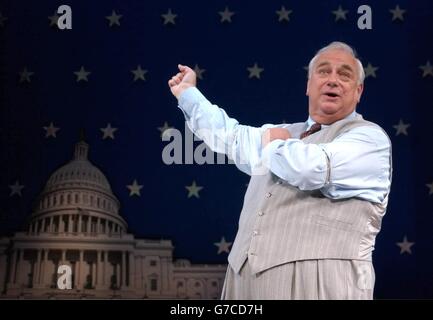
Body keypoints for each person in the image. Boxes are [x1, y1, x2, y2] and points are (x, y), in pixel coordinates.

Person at [168, 41, 392, 300]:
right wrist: (188, 93)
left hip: (323, 286)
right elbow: (229, 136)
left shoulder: (369, 139)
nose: (333, 80)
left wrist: (273, 142)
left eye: (344, 74)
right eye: (323, 71)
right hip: (243, 285)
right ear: (308, 85)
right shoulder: (284, 132)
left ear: (358, 91)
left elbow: (310, 169)